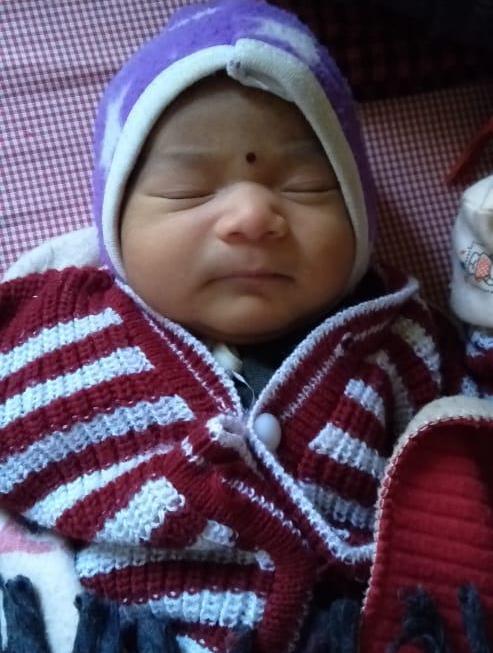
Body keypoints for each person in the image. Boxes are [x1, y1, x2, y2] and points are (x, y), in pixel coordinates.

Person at [0, 1, 492, 651]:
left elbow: (471, 435)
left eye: (306, 186)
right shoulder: (67, 332)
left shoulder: (398, 340)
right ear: (115, 225)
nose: (253, 217)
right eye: (189, 190)